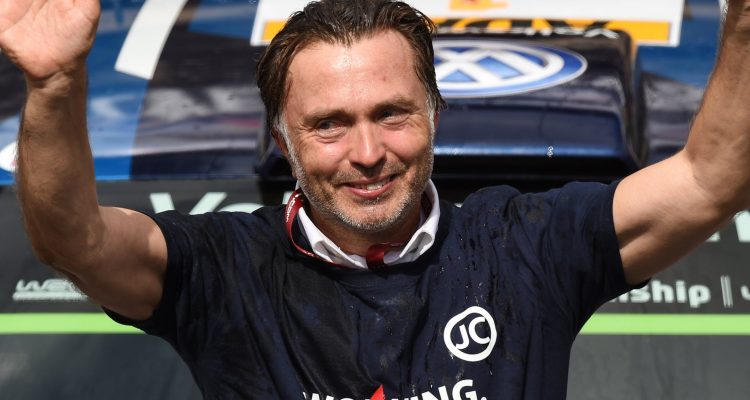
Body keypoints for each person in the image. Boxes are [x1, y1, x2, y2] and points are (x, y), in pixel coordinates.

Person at [1, 0, 748, 398]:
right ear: (283, 139)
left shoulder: (526, 245)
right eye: (328, 124)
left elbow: (710, 178)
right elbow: (75, 241)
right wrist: (55, 84)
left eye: (392, 114)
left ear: (435, 114)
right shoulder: (223, 270)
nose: (366, 152)